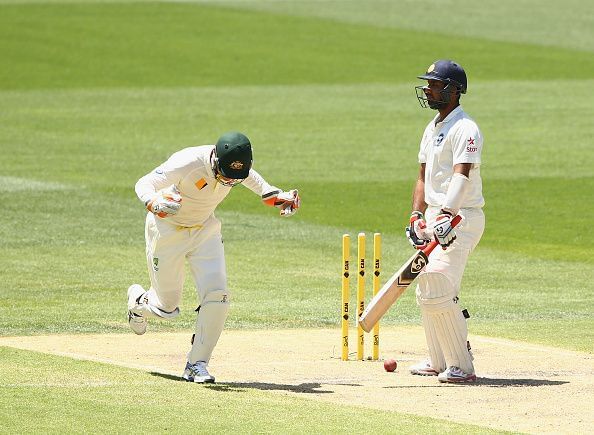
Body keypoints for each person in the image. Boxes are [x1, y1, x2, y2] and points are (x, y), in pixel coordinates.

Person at [127, 131, 300, 383]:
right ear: (215, 160)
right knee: (166, 308)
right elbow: (143, 183)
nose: (229, 181)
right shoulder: (187, 161)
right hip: (167, 229)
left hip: (204, 230)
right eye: (225, 175)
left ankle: (196, 364)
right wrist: (153, 202)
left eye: (235, 178)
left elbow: (256, 183)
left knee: (218, 296)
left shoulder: (236, 168)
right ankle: (137, 301)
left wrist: (277, 195)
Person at [405, 60, 485, 383]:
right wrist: (416, 214)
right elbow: (423, 177)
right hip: (438, 218)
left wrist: (447, 215)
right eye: (429, 84)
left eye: (435, 85)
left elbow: (461, 177)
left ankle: (462, 366)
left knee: (438, 280)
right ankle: (438, 360)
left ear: (453, 91)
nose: (428, 89)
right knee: (425, 283)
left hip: (462, 218)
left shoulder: (466, 128)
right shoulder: (432, 127)